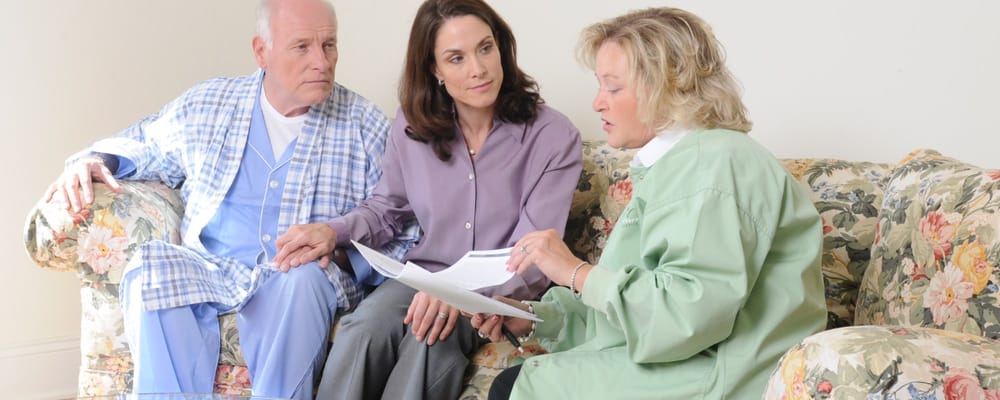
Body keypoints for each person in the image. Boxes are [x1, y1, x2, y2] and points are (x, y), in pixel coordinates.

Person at [42, 0, 413, 398]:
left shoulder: (366, 126)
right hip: (213, 267)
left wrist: (339, 252)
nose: (321, 61)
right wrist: (94, 160)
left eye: (329, 45)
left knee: (302, 281)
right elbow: (145, 141)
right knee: (151, 266)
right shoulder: (211, 104)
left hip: (297, 278)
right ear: (261, 51)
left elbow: (403, 228)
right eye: (302, 46)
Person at [472, 7, 827, 399]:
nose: (597, 103)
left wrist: (574, 271)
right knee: (524, 377)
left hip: (718, 377)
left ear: (666, 87)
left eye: (613, 87)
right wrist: (533, 318)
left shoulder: (716, 164)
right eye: (599, 85)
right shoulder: (680, 165)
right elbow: (626, 313)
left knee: (521, 385)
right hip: (683, 365)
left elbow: (683, 316)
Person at [270, 0, 583, 398]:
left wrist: (461, 296)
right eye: (456, 58)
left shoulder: (554, 137)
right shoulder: (412, 125)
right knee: (363, 328)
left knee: (429, 339)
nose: (478, 68)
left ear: (501, 47)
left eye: (486, 48)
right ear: (434, 69)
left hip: (494, 292)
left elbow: (532, 255)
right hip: (423, 277)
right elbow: (387, 208)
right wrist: (333, 232)